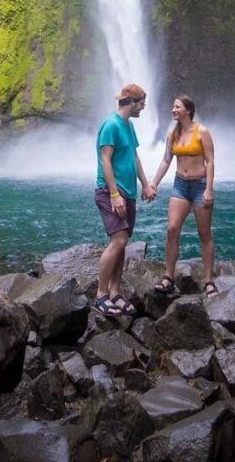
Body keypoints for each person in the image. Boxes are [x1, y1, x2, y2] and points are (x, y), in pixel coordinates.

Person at [94, 83, 156, 316]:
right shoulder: (110, 125)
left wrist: (145, 184)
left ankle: (115, 293)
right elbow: (105, 160)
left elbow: (134, 156)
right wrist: (114, 194)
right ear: (131, 102)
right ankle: (101, 295)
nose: (144, 106)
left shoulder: (128, 126)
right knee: (118, 240)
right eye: (141, 102)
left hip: (127, 192)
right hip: (111, 191)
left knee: (123, 243)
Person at [150, 94, 217, 297]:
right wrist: (154, 183)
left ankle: (209, 281)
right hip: (180, 185)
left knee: (204, 234)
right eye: (173, 106)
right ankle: (168, 277)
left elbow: (210, 162)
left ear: (188, 110)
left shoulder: (201, 131)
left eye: (177, 107)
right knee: (172, 229)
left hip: (199, 186)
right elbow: (166, 160)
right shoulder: (173, 133)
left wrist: (209, 189)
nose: (173, 110)